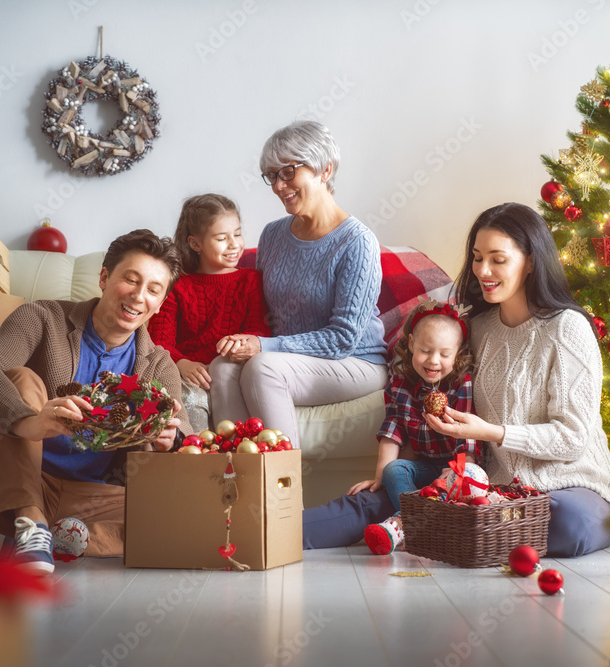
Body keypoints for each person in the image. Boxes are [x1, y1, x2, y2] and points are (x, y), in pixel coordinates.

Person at [303, 203, 610, 557]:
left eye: (498, 259)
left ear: (531, 261)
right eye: (477, 257)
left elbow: (573, 438)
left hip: (572, 488)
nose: (483, 270)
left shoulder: (567, 328)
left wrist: (490, 432)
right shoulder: (475, 328)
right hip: (484, 490)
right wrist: (393, 465)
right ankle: (272, 530)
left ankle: (433, 527)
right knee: (377, 503)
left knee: (566, 524)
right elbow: (422, 382)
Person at [0, 229, 188, 574]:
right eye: (131, 280)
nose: (139, 297)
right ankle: (30, 522)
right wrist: (28, 421)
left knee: (175, 520)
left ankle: (62, 538)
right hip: (9, 482)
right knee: (22, 378)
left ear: (161, 301)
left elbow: (184, 430)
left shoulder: (158, 363)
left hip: (89, 498)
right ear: (104, 277)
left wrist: (171, 439)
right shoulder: (41, 317)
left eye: (154, 290)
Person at [208, 120, 388, 448]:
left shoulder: (357, 241)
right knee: (221, 368)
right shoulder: (273, 235)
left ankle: (284, 490)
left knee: (263, 368)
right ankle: (237, 482)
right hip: (286, 357)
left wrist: (264, 346)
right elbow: (263, 315)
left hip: (356, 361)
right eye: (272, 176)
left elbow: (343, 339)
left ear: (325, 170)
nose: (279, 185)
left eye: (288, 172)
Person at [347, 299, 479, 555]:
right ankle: (418, 521)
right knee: (394, 469)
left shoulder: (461, 385)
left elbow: (467, 439)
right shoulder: (399, 386)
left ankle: (406, 524)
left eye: (444, 354)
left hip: (455, 466)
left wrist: (458, 472)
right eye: (426, 351)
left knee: (467, 481)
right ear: (410, 344)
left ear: (457, 353)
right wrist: (380, 477)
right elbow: (391, 433)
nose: (433, 361)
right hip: (420, 468)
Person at [148, 194, 271, 433]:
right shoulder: (178, 286)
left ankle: (239, 454)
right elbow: (159, 341)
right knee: (191, 401)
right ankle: (200, 461)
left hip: (233, 372)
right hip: (191, 375)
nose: (234, 244)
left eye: (237, 233)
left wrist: (240, 347)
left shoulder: (250, 280)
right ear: (195, 244)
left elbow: (258, 330)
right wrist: (181, 363)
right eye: (221, 238)